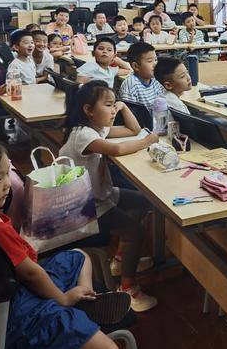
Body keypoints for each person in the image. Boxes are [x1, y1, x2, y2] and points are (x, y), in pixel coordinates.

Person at [0, 136, 128, 348]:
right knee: (110, 347)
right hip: (20, 312)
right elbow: (32, 274)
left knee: (80, 256)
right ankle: (71, 306)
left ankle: (83, 301)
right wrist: (62, 299)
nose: (8, 184)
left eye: (8, 173)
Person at [61, 81, 159, 311]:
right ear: (88, 110)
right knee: (135, 231)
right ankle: (127, 289)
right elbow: (117, 149)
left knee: (144, 201)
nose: (113, 110)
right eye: (108, 105)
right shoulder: (83, 134)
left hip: (100, 195)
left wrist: (123, 107)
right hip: (86, 207)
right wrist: (147, 141)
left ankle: (121, 259)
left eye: (114, 104)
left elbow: (133, 130)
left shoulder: (96, 129)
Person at [118, 42, 166, 110]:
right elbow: (130, 112)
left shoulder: (156, 79)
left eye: (155, 60)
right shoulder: (131, 85)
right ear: (136, 66)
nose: (155, 64)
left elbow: (163, 101)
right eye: (150, 61)